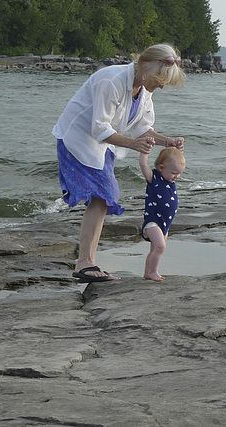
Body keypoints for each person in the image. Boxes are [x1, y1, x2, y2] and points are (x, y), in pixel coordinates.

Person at [53, 43, 186, 283]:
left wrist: (167, 141)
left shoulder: (144, 91)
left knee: (102, 197)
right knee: (105, 193)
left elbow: (142, 128)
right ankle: (85, 263)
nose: (162, 85)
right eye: (160, 78)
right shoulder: (111, 81)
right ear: (147, 68)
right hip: (78, 138)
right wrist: (133, 144)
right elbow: (100, 127)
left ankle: (86, 262)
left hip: (103, 144)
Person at [139, 145, 185, 282]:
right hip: (153, 221)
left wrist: (176, 148)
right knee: (160, 247)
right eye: (174, 173)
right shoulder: (154, 179)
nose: (177, 176)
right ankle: (153, 272)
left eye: (179, 173)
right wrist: (144, 151)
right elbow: (143, 164)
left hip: (165, 223)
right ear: (161, 168)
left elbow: (174, 158)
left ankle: (147, 272)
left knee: (154, 249)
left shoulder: (170, 180)